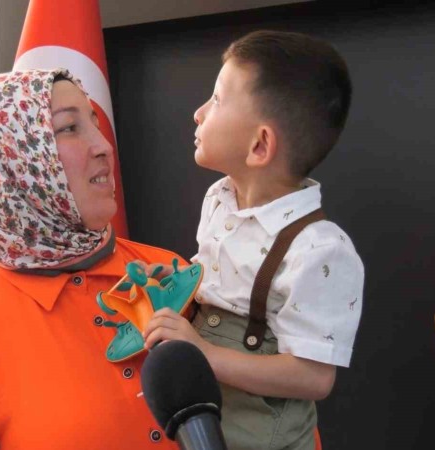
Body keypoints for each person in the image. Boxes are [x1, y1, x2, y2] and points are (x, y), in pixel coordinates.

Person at [0, 69, 182, 449]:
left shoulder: (172, 271)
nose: (104, 146)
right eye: (69, 128)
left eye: (95, 124)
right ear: (6, 166)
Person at [141, 30, 365, 450]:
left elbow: (314, 377)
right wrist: (180, 282)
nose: (198, 113)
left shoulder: (320, 250)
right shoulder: (219, 199)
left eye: (216, 99)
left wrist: (204, 354)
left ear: (259, 145)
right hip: (210, 412)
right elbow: (222, 283)